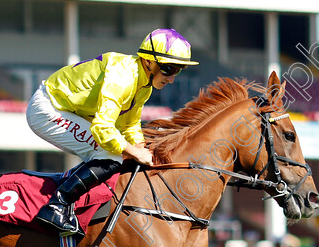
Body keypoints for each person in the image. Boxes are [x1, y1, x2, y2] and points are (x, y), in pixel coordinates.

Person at [26, 28, 198, 235]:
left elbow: (129, 125)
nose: (172, 78)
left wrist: (142, 149)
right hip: (48, 108)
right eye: (169, 69)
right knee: (109, 155)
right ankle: (56, 206)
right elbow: (103, 128)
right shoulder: (122, 77)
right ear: (149, 62)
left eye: (178, 70)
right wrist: (134, 152)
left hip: (71, 112)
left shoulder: (144, 84)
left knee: (119, 154)